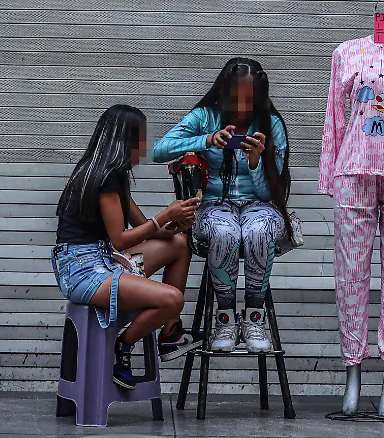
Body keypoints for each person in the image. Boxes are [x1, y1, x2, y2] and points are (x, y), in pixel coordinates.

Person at [53, 105, 200, 389]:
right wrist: (164, 217)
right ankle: (123, 347)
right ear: (126, 141)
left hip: (107, 258)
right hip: (84, 271)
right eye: (141, 138)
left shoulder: (115, 175)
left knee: (179, 244)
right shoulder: (103, 178)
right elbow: (121, 238)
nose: (145, 147)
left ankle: (169, 333)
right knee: (172, 300)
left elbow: (144, 228)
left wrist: (172, 225)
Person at [152, 58, 292, 353]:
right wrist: (207, 140)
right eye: (236, 97)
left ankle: (255, 316)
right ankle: (225, 318)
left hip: (259, 204)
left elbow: (270, 195)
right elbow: (159, 151)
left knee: (259, 228)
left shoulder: (271, 123)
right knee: (225, 230)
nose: (242, 106)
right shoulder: (205, 116)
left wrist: (256, 162)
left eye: (250, 99)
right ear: (223, 91)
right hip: (213, 204)